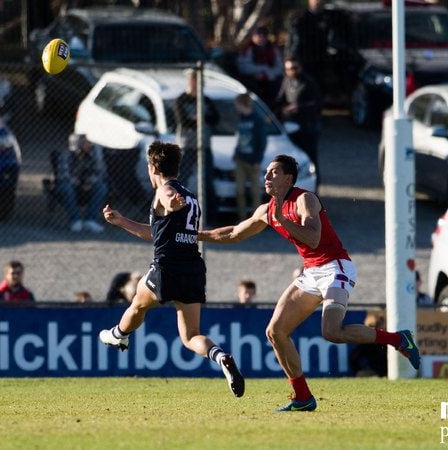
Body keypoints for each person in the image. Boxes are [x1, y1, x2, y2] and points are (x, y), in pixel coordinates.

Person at [198, 154, 420, 411]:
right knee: (275, 332)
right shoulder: (266, 210)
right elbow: (232, 234)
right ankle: (302, 396)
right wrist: (194, 236)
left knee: (332, 332)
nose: (267, 177)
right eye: (266, 172)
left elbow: (314, 239)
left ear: (288, 178)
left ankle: (398, 339)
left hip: (336, 267)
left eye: (273, 172)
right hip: (311, 273)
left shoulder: (305, 199)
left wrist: (282, 220)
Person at [99, 140, 245, 397]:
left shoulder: (165, 192)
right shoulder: (190, 195)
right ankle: (221, 357)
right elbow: (157, 233)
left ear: (153, 167)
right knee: (191, 336)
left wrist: (170, 205)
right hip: (193, 268)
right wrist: (121, 221)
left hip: (167, 267)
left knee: (137, 305)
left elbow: (166, 199)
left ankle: (118, 334)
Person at [174, 68, 220, 221]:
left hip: (204, 145)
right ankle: (178, 212)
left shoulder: (206, 100)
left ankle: (210, 217)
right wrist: (200, 120)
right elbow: (184, 121)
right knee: (182, 179)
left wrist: (199, 117)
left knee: (208, 181)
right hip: (187, 145)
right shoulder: (181, 100)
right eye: (194, 80)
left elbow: (215, 119)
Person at [275, 58, 322, 183]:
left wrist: (299, 107)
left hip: (308, 127)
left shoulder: (308, 82)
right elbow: (280, 99)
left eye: (295, 68)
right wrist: (282, 110)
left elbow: (317, 103)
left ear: (300, 67)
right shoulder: (287, 81)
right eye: (289, 69)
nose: (292, 71)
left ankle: (314, 184)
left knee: (310, 157)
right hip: (291, 125)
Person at [54, 134, 108, 233]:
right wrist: (79, 183)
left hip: (86, 185)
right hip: (70, 185)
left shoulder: (92, 155)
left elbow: (99, 173)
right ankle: (76, 220)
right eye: (85, 142)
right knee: (66, 188)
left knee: (101, 187)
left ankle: (90, 220)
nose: (89, 145)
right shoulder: (66, 155)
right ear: (77, 144)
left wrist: (88, 182)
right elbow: (64, 176)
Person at [233, 93, 267, 221]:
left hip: (253, 161)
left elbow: (262, 142)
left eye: (237, 105)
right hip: (240, 159)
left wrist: (258, 160)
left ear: (243, 104)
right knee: (239, 190)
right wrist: (236, 152)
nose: (236, 107)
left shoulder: (257, 120)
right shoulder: (241, 118)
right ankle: (242, 218)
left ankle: (257, 220)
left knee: (255, 192)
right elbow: (240, 138)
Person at [235, 26, 283, 109]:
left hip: (271, 80)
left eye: (264, 35)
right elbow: (243, 67)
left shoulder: (273, 49)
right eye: (258, 35)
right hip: (252, 81)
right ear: (253, 37)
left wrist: (268, 74)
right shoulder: (247, 49)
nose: (261, 38)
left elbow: (280, 67)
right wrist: (261, 70)